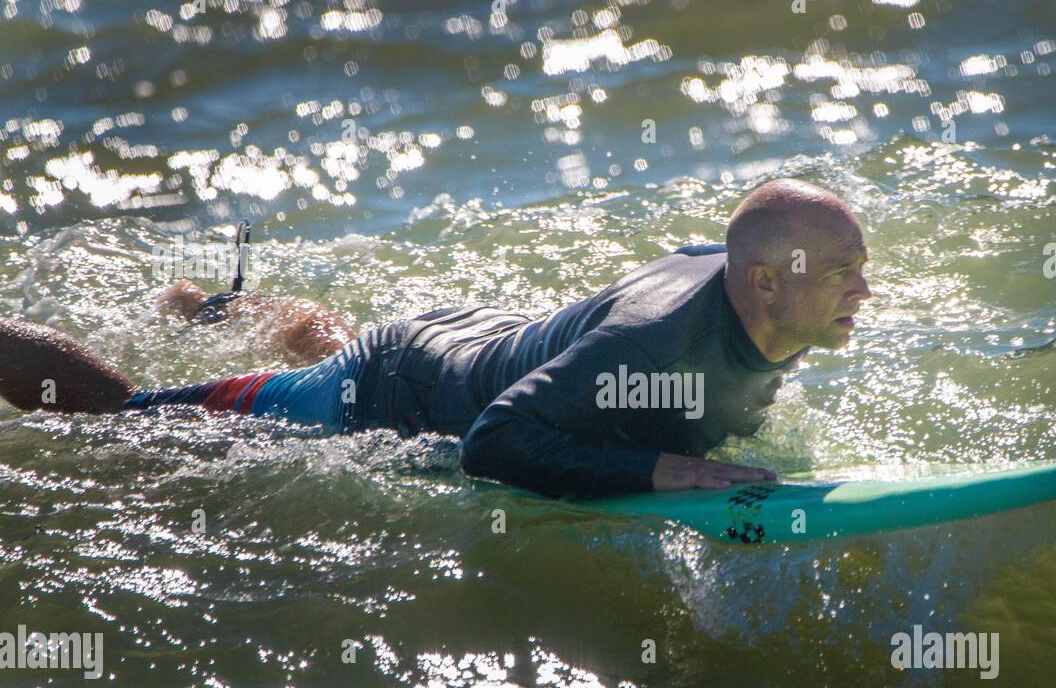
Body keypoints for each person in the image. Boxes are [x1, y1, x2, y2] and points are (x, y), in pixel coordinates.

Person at [0, 179, 870, 498]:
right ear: (763, 280)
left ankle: (208, 305)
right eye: (841, 273)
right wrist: (657, 470)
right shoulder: (646, 348)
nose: (863, 292)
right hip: (395, 390)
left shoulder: (743, 284)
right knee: (126, 417)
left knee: (334, 339)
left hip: (471, 336)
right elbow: (493, 441)